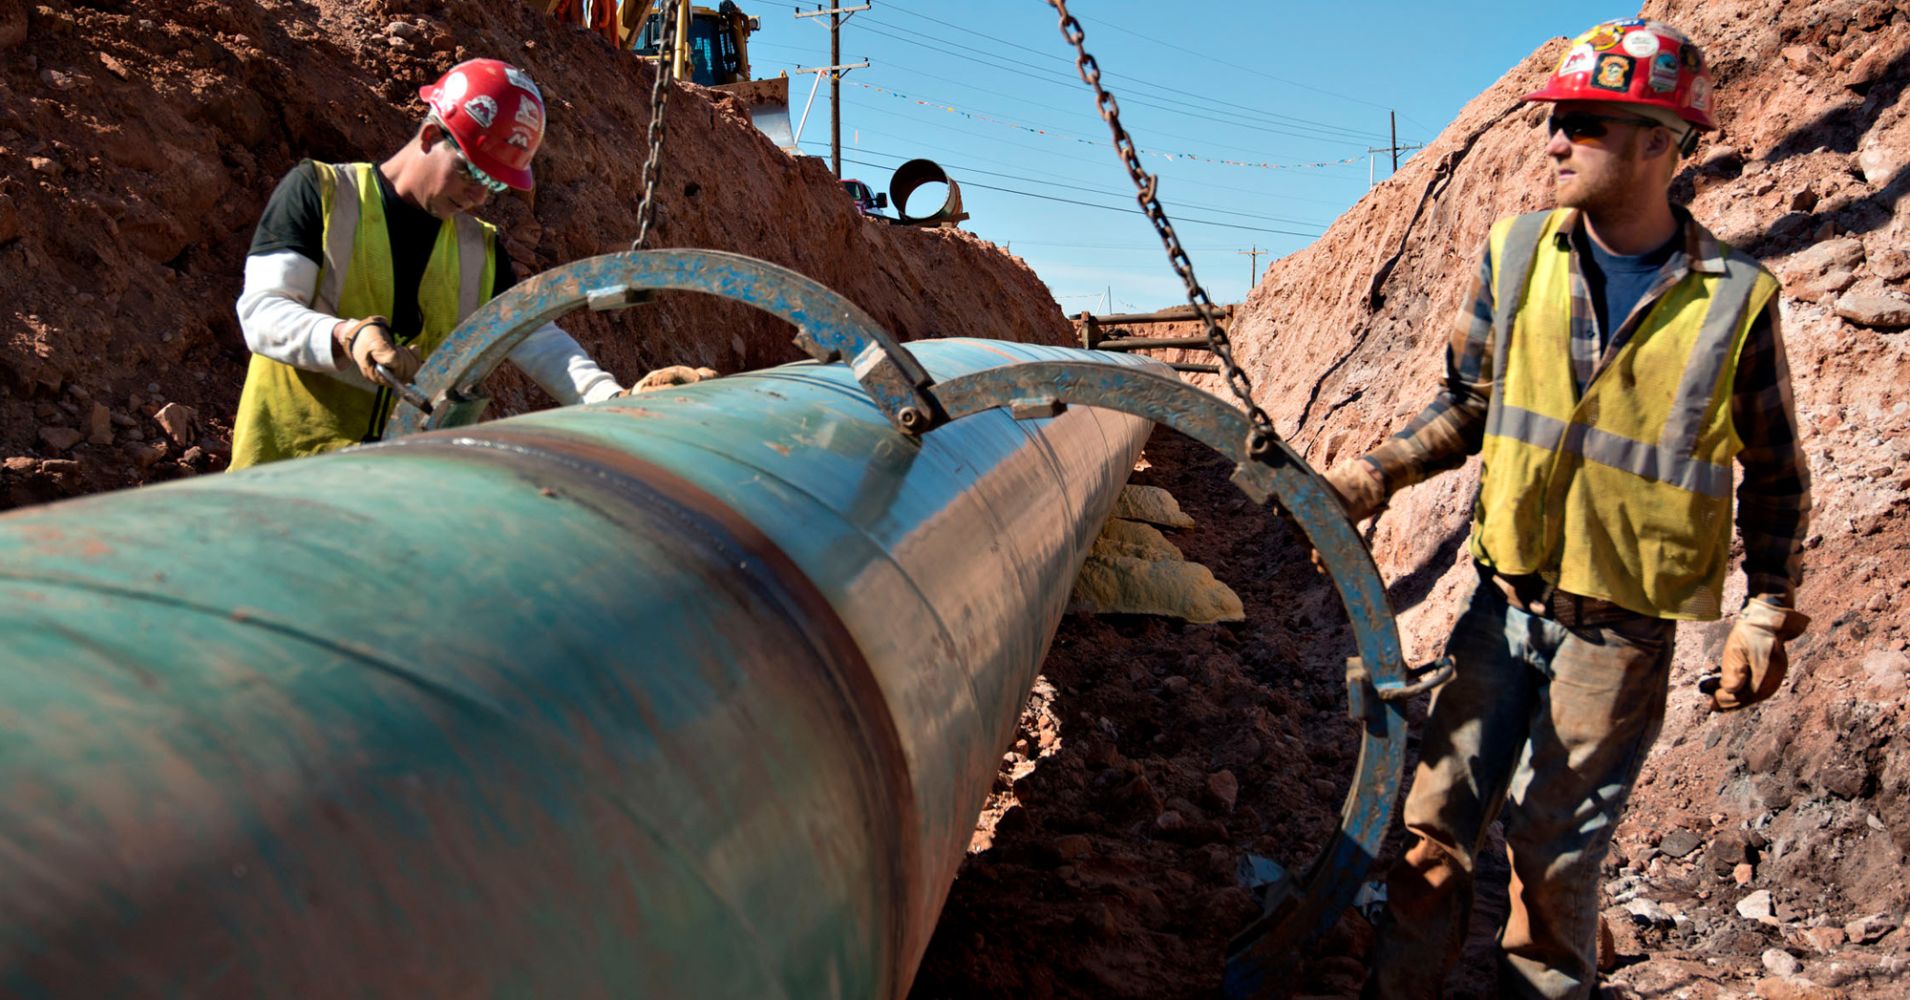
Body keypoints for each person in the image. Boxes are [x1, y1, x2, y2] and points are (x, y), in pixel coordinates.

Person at [1330, 19, 1812, 999]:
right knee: (1428, 838)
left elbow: (1773, 474)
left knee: (1551, 866)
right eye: (1552, 120)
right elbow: (1464, 406)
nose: (1551, 140)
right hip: (1497, 611)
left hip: (1617, 640)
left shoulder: (1733, 301)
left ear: (1654, 143)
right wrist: (1374, 472)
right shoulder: (1513, 258)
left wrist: (1766, 604)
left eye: (1581, 123)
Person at [230, 58, 627, 469]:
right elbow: (262, 313)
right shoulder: (322, 194)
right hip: (283, 475)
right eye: (472, 172)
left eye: (495, 184)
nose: (480, 195)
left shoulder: (479, 249)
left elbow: (534, 336)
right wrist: (345, 336)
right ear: (431, 135)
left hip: (394, 489)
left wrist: (610, 400)